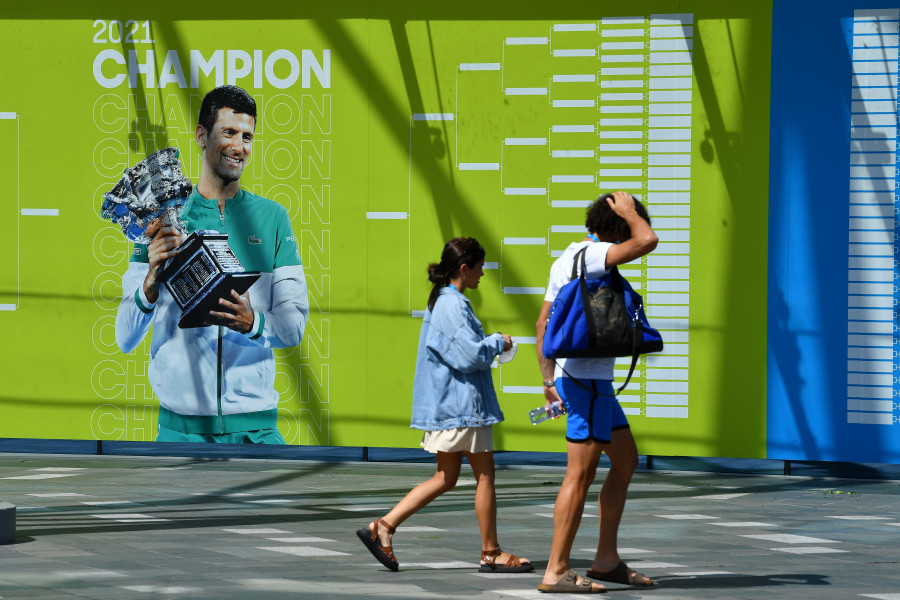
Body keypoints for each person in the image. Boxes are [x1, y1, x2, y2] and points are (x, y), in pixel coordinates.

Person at [115, 85, 309, 443]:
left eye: (248, 136)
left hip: (255, 428)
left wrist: (254, 323)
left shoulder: (273, 218)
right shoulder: (162, 220)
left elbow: (294, 324)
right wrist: (150, 282)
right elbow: (125, 338)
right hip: (180, 433)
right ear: (202, 136)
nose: (240, 146)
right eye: (229, 133)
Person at [356, 237, 532, 574]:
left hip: (453, 406)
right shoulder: (453, 305)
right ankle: (490, 552)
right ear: (464, 269)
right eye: (479, 268)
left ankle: (385, 527)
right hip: (462, 406)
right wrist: (498, 342)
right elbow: (470, 355)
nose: (482, 274)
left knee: (445, 476)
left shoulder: (443, 301)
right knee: (485, 477)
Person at [535, 191, 658, 594]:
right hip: (587, 382)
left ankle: (606, 560)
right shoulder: (592, 255)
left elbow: (542, 324)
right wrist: (630, 212)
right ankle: (555, 571)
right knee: (580, 474)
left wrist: (548, 381)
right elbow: (646, 241)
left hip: (588, 382)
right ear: (617, 227)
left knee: (625, 461)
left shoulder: (568, 256)